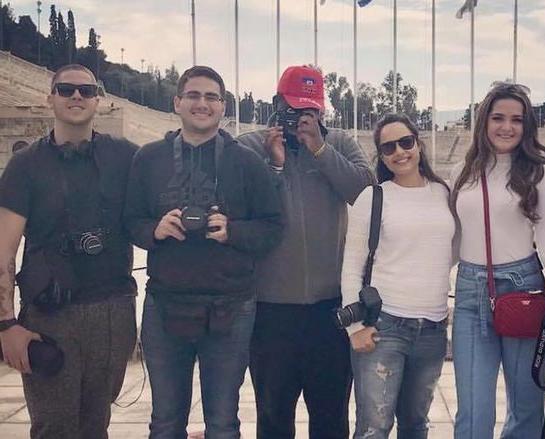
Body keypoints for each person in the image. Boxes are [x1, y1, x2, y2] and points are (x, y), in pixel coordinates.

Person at [124, 65, 283, 438]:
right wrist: (154, 229)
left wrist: (232, 232)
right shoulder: (149, 159)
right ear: (177, 102)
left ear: (223, 107)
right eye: (193, 95)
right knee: (165, 420)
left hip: (230, 307)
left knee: (223, 421)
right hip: (165, 304)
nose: (202, 103)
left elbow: (273, 227)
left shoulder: (246, 161)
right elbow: (129, 221)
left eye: (211, 97)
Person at [0, 64, 138, 439]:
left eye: (86, 90)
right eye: (65, 89)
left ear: (98, 99)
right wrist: (6, 325)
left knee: (96, 427)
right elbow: (3, 251)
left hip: (113, 312)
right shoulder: (25, 165)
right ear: (50, 98)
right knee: (54, 428)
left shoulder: (126, 156)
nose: (76, 96)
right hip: (50, 316)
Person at [237, 65, 373, 439]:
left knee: (330, 417)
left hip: (330, 310)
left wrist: (320, 149)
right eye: (294, 109)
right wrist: (275, 164)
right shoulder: (251, 146)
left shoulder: (340, 143)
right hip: (270, 311)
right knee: (274, 415)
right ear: (277, 104)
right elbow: (243, 205)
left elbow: (364, 193)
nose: (302, 118)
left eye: (309, 110)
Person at [448, 82, 545, 439]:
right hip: (471, 292)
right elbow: (456, 240)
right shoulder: (462, 171)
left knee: (527, 405)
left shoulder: (540, 172)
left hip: (524, 289)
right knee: (473, 410)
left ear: (526, 125)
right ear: (484, 121)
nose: (507, 127)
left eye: (516, 120)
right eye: (498, 117)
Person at [342, 114, 455, 439]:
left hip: (432, 329)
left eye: (405, 142)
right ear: (381, 155)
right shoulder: (373, 197)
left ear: (418, 143)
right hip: (385, 327)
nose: (399, 152)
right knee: (374, 428)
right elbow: (351, 266)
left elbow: (451, 249)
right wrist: (355, 328)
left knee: (416, 425)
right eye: (388, 147)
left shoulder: (442, 193)